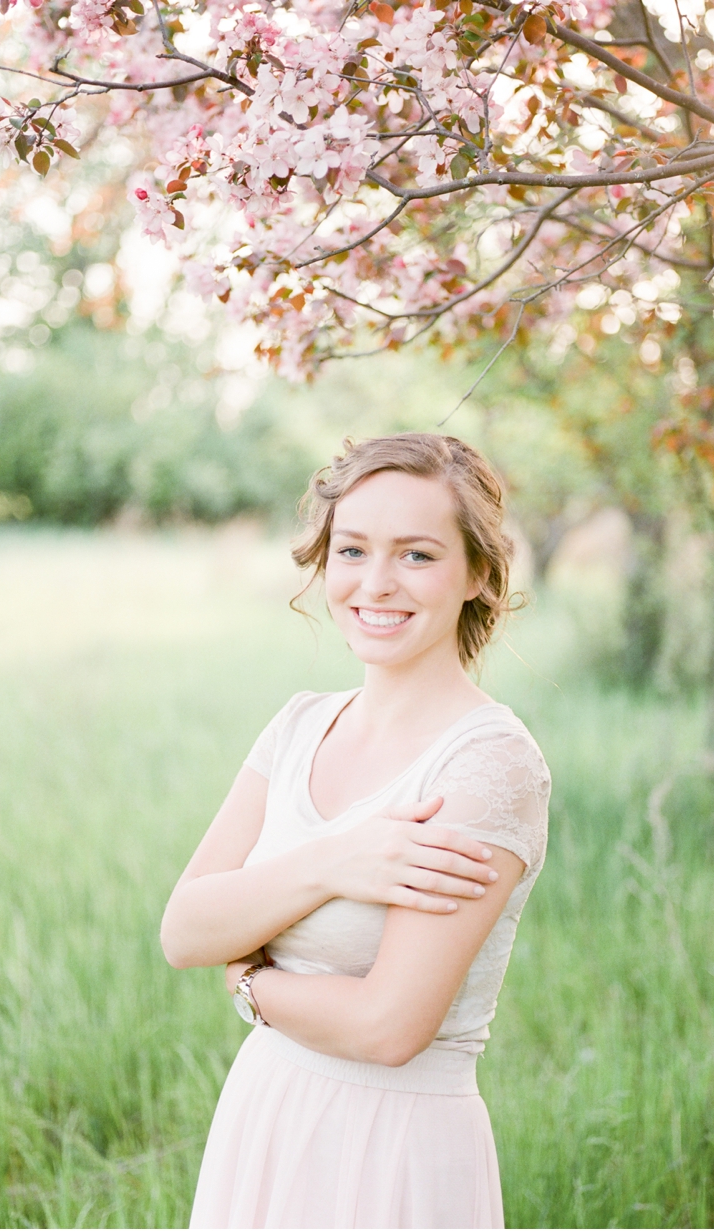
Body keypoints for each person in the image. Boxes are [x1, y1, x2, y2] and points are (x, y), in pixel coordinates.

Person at [161, 433, 551, 1229]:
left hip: (390, 1145)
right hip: (265, 1112)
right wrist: (333, 861)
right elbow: (184, 927)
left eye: (416, 555)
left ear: (478, 573)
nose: (376, 583)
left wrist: (248, 983)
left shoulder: (487, 765)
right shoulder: (300, 723)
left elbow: (388, 1026)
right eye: (352, 550)